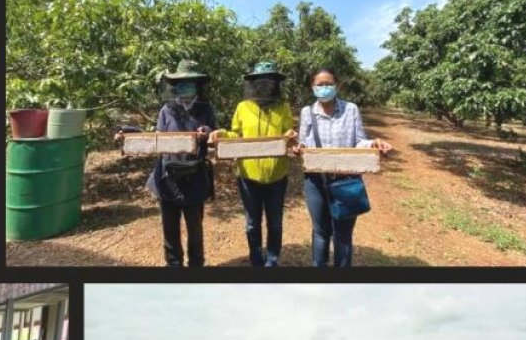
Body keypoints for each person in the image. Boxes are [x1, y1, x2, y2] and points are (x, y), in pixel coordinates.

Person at [116, 59, 216, 267]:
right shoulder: (166, 110)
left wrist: (206, 133)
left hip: (194, 177)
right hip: (166, 178)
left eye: (190, 82)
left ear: (197, 85)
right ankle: (173, 267)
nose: (185, 86)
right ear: (175, 85)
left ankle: (196, 266)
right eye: (181, 82)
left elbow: (215, 135)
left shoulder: (206, 109)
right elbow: (157, 137)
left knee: (194, 229)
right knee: (169, 230)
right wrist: (129, 134)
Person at [294, 68, 393, 267]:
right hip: (316, 180)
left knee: (343, 233)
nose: (324, 88)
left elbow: (359, 141)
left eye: (328, 84)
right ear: (312, 87)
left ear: (337, 85)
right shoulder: (307, 112)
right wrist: (299, 149)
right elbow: (303, 142)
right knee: (321, 231)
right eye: (319, 85)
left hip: (346, 179)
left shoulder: (351, 109)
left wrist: (373, 144)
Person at [212, 61, 298, 267]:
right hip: (248, 176)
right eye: (261, 81)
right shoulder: (243, 107)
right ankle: (256, 259)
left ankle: (272, 260)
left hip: (277, 174)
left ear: (276, 84)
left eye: (269, 81)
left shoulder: (283, 107)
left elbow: (288, 134)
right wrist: (223, 134)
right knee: (252, 224)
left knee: (275, 223)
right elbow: (237, 134)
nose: (265, 85)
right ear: (253, 83)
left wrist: (291, 135)